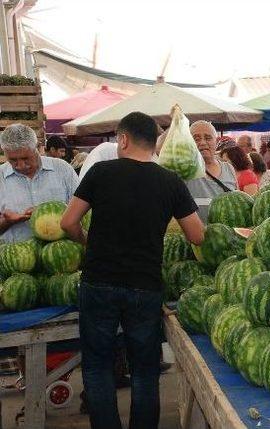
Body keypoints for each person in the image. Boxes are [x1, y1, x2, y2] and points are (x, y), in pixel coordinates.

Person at [60, 112, 205, 429]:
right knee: (144, 369)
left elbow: (68, 222)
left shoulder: (100, 171)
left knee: (97, 366)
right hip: (145, 286)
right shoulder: (170, 181)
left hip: (99, 282)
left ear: (122, 139)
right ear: (154, 144)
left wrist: (87, 242)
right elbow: (196, 235)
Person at [0, 124, 79, 243]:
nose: (20, 165)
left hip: (60, 256)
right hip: (18, 259)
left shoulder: (62, 169)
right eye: (13, 160)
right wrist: (7, 221)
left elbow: (82, 212)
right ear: (4, 152)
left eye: (26, 158)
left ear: (38, 147)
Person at [185, 120, 237, 221]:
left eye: (208, 138)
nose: (203, 143)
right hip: (197, 235)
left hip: (227, 235)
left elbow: (238, 203)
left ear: (216, 142)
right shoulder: (185, 171)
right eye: (196, 139)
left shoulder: (229, 168)